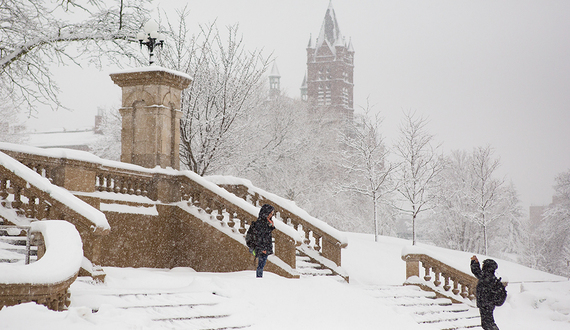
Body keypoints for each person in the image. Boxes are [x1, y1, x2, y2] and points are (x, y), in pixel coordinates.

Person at [470, 255, 501, 330]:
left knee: (487, 324)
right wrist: (475, 262)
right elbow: (477, 272)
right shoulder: (490, 276)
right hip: (487, 303)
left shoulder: (487, 277)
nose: (483, 265)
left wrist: (474, 262)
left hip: (485, 303)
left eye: (484, 264)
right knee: (488, 323)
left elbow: (476, 272)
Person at [251, 204, 275, 278]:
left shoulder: (266, 222)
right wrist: (262, 249)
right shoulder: (260, 223)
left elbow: (266, 233)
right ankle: (259, 279)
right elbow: (260, 236)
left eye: (272, 214)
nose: (271, 215)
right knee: (260, 265)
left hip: (265, 246)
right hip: (262, 247)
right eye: (270, 213)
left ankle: (259, 278)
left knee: (262, 265)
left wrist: (271, 226)